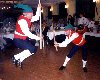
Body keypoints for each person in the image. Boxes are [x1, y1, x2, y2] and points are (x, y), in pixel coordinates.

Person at [12, 4, 42, 69]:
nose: (32, 15)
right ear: (26, 14)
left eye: (32, 13)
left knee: (33, 50)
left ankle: (20, 60)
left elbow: (37, 17)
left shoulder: (27, 18)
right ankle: (15, 57)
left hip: (23, 39)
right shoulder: (22, 21)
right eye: (31, 14)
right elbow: (27, 33)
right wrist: (38, 38)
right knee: (32, 49)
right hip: (18, 39)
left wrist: (38, 8)